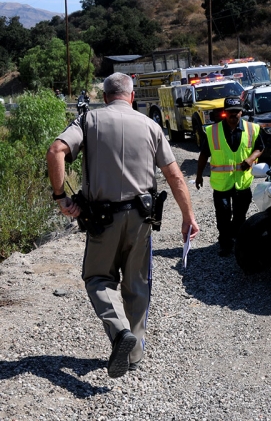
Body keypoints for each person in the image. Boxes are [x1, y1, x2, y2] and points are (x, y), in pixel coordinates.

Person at [46, 72, 199, 378]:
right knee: (137, 284)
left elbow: (56, 151)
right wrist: (188, 217)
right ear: (131, 97)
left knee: (97, 277)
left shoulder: (89, 122)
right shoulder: (151, 125)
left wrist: (62, 198)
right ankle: (135, 353)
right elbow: (174, 176)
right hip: (142, 217)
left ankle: (119, 332)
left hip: (102, 219)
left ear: (105, 97)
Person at [195, 96, 263, 256]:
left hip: (242, 182)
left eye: (236, 112)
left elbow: (260, 147)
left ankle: (237, 240)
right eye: (230, 112)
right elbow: (204, 155)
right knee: (223, 214)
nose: (233, 115)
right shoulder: (213, 132)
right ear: (224, 113)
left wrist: (251, 159)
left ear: (241, 112)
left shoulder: (252, 129)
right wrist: (198, 175)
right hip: (221, 183)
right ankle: (225, 243)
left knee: (240, 216)